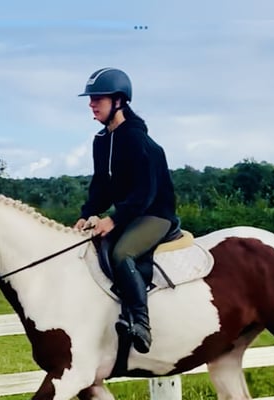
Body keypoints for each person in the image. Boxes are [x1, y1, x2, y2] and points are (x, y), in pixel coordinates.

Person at [74, 67, 179, 354]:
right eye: (91, 99)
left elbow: (145, 192)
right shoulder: (102, 140)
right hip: (130, 212)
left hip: (155, 214)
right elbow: (101, 185)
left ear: (118, 101)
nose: (91, 104)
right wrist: (88, 212)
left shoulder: (136, 139)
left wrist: (114, 218)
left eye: (98, 98)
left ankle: (141, 324)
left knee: (122, 253)